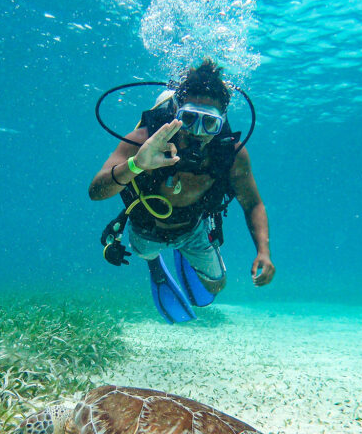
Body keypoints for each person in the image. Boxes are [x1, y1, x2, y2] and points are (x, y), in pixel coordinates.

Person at [88, 59, 274, 323]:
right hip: (147, 228)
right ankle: (156, 266)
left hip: (193, 229)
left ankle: (183, 256)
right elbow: (96, 190)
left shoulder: (231, 155)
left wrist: (263, 251)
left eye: (209, 124)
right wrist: (137, 164)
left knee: (215, 288)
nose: (197, 134)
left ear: (221, 122)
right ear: (176, 111)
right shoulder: (143, 140)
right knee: (145, 252)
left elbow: (253, 204)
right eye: (189, 119)